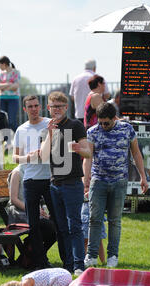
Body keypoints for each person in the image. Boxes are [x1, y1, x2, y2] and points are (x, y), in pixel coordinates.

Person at [83, 102, 148, 268]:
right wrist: (86, 179)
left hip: (119, 181)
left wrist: (143, 176)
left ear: (114, 119)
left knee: (115, 220)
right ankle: (91, 257)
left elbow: (136, 153)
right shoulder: (92, 131)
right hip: (99, 180)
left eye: (107, 122)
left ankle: (113, 256)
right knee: (94, 219)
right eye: (100, 122)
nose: (103, 126)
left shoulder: (126, 129)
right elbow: (88, 157)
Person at [40, 91, 90, 275]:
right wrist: (50, 134)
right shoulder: (49, 128)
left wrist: (79, 149)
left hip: (72, 183)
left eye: (60, 106)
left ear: (66, 107)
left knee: (74, 226)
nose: (57, 110)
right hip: (55, 185)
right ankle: (68, 264)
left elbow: (88, 153)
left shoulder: (75, 125)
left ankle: (78, 264)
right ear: (49, 108)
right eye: (54, 106)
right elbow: (44, 156)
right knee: (61, 227)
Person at [12, 95, 63, 270]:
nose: (33, 109)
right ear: (24, 109)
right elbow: (14, 157)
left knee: (58, 221)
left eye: (36, 106)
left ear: (40, 107)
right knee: (33, 225)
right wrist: (28, 157)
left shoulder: (50, 123)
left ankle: (67, 259)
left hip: (50, 179)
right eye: (30, 106)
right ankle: (40, 263)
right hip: (30, 180)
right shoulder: (21, 129)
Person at [7, 164, 58, 267]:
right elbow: (14, 199)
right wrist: (33, 209)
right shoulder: (17, 172)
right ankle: (34, 255)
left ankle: (30, 254)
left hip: (33, 211)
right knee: (49, 228)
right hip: (19, 213)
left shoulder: (36, 172)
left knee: (54, 229)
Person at [69, 59, 110, 124]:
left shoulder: (76, 79)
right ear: (94, 68)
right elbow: (107, 94)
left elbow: (72, 97)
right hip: (95, 118)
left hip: (79, 115)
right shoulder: (98, 78)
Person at [81, 191, 106, 265]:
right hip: (84, 210)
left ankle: (103, 262)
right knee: (85, 240)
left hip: (95, 208)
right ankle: (84, 261)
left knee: (99, 240)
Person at [0, 56, 20, 132]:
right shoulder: (1, 74)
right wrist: (10, 84)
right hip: (2, 99)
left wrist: (4, 87)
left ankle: (19, 138)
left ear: (4, 64)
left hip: (13, 99)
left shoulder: (16, 72)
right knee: (3, 122)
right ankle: (6, 141)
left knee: (11, 122)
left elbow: (16, 87)